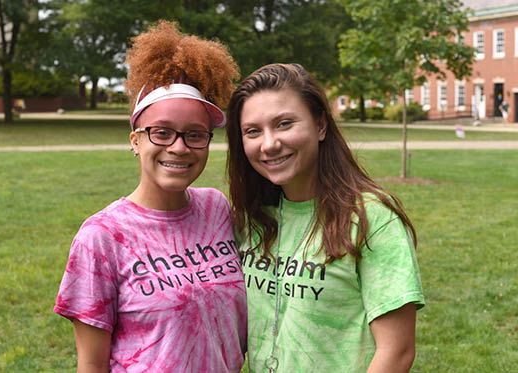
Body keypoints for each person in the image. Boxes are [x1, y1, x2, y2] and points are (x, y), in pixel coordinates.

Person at [54, 21, 246, 373]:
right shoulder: (101, 236)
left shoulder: (216, 208)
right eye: (162, 132)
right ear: (135, 140)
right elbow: (92, 365)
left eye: (195, 134)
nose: (179, 147)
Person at [226, 63, 425, 372]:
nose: (269, 143)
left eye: (284, 124)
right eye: (253, 131)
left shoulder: (371, 218)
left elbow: (396, 352)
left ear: (320, 126)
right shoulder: (251, 220)